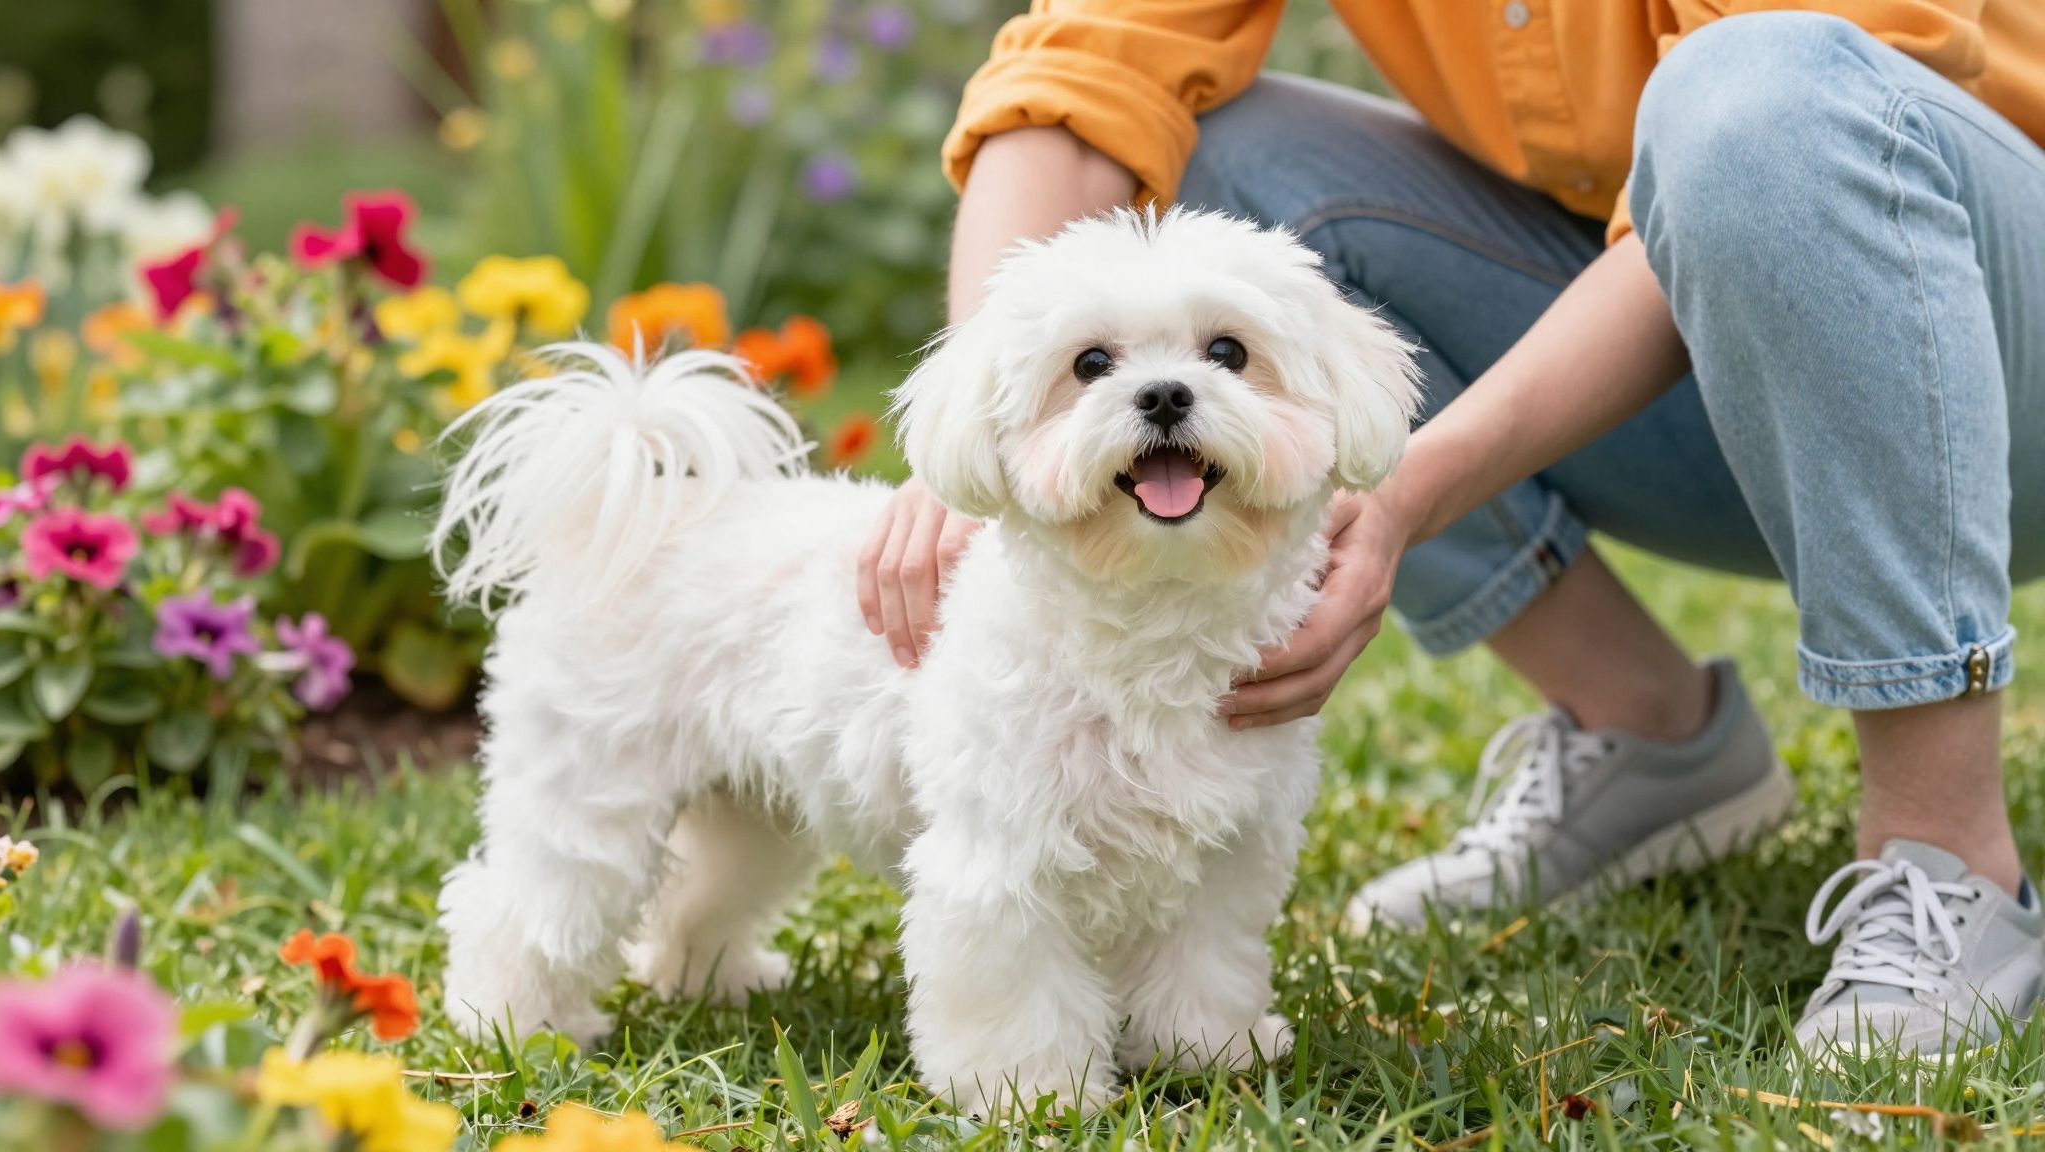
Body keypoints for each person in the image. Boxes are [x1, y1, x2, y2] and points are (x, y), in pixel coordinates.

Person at [856, 1, 2045, 1057]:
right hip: (1693, 365)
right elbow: (1080, 81)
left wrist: (1406, 493)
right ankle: (1650, 740)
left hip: (1981, 338)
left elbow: (1770, 148)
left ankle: (1939, 857)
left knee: (1752, 93)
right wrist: (1002, 410)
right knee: (1203, 161)